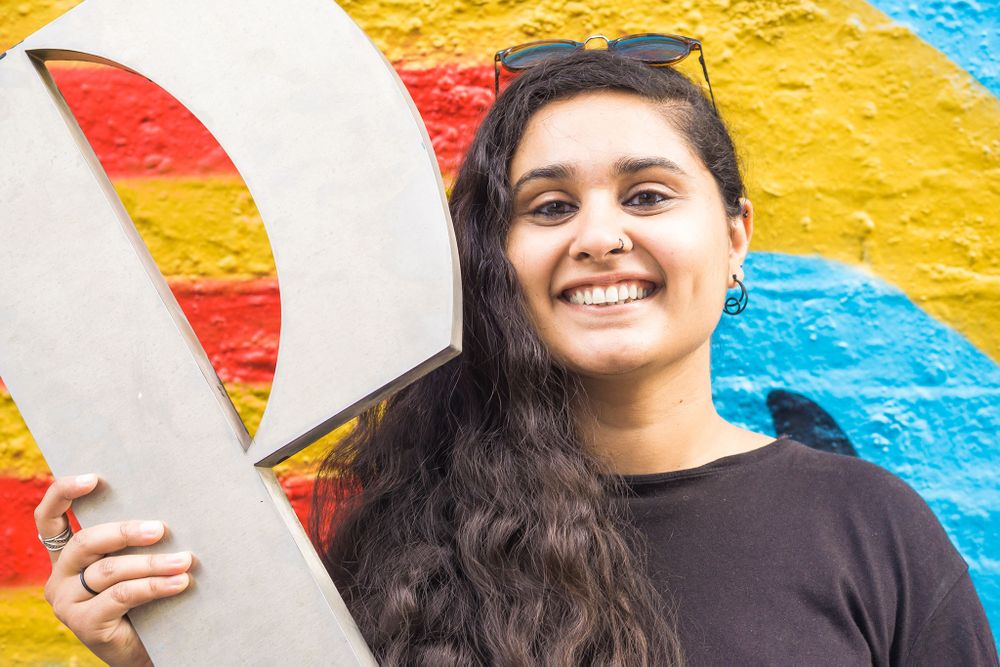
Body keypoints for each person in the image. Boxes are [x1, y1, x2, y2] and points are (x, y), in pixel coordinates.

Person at [32, 43, 997, 666]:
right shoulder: (400, 543)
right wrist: (167, 651)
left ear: (736, 235)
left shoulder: (872, 530)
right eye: (547, 207)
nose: (600, 235)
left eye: (649, 194)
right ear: (498, 257)